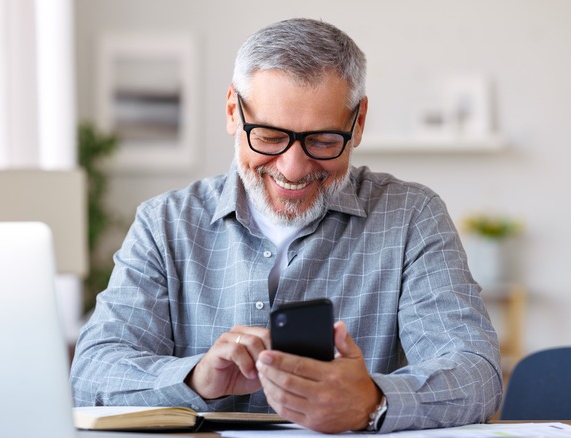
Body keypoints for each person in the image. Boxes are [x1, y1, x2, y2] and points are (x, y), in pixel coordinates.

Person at [70, 18, 502, 433]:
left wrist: (371, 401)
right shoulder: (164, 223)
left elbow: (476, 373)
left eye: (323, 140)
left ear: (358, 123)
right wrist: (196, 378)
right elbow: (92, 373)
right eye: (270, 137)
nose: (293, 169)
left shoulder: (411, 217)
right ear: (232, 112)